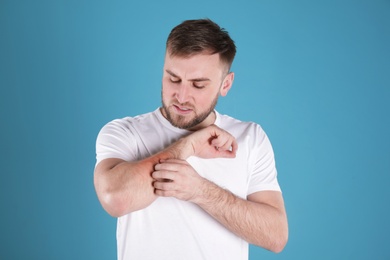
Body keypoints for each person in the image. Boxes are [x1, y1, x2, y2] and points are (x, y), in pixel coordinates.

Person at [94, 18, 288, 260]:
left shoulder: (251, 138)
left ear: (225, 84)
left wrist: (199, 190)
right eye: (173, 79)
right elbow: (115, 198)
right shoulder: (125, 132)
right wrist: (188, 146)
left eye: (198, 85)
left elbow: (275, 236)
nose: (181, 96)